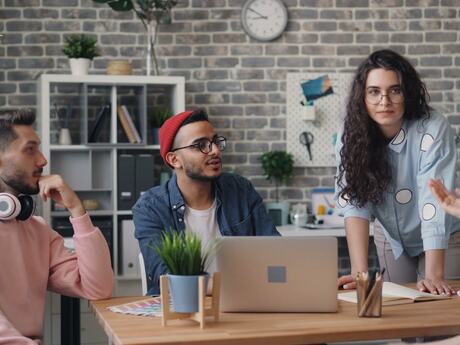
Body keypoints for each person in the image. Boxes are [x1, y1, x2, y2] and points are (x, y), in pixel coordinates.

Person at [335, 49, 460, 296]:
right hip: (391, 237)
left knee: (436, 314)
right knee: (400, 312)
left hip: (444, 235)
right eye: (374, 92)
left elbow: (431, 201)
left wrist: (434, 274)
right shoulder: (350, 134)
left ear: (408, 93)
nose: (385, 101)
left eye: (395, 90)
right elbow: (355, 202)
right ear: (363, 96)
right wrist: (360, 273)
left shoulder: (433, 128)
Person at [133, 108, 279, 295]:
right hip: (181, 311)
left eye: (215, 142)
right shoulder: (150, 208)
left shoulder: (239, 189)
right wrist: (229, 286)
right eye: (200, 145)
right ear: (174, 159)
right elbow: (164, 275)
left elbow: (274, 250)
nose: (215, 151)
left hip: (247, 304)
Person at [0, 109, 113, 344]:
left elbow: (98, 288)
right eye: (30, 149)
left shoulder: (37, 230)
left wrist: (76, 209)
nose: (43, 160)